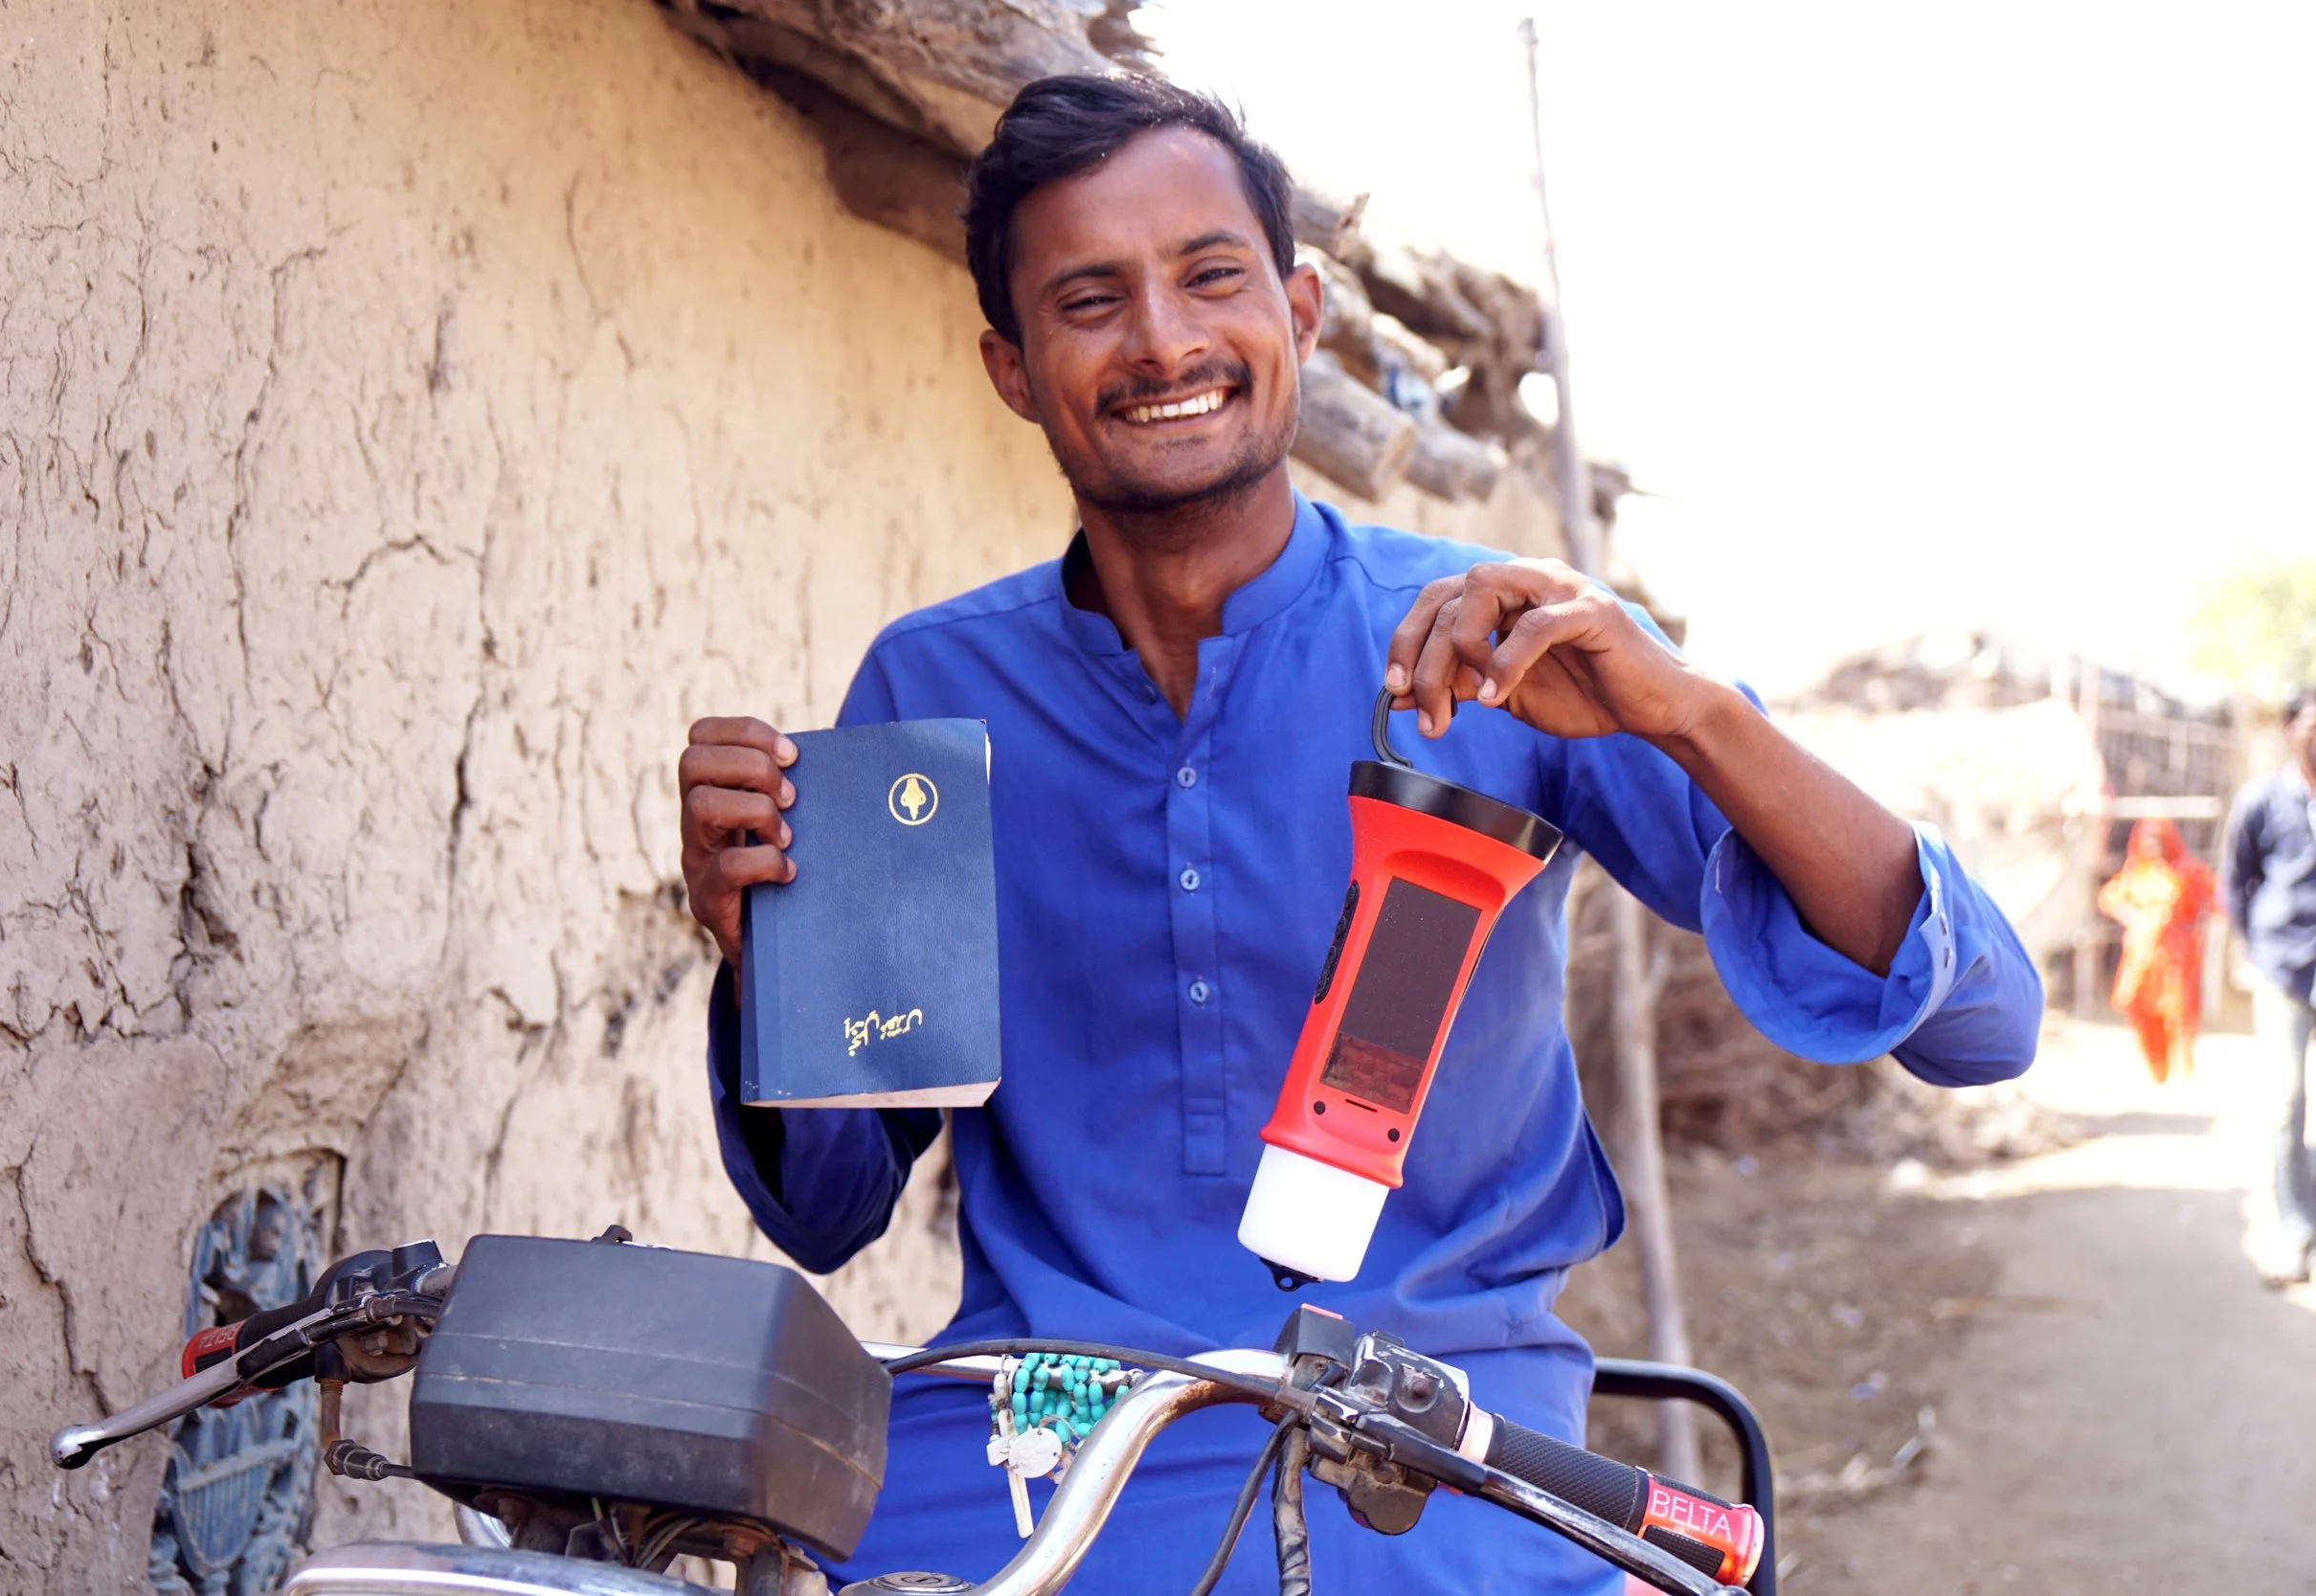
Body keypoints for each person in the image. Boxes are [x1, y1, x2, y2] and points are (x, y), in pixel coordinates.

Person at [676, 75, 2042, 1594]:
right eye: (1089, 299)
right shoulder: (931, 692)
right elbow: (828, 1207)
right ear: (1011, 367)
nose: (1165, 341)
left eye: (1210, 276)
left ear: (1303, 312)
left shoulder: (1520, 644)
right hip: (1040, 1480)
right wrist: (764, 961)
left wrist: (1692, 715)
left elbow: (1985, 1025)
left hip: (1450, 1468)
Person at [2221, 686, 2316, 1288]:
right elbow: (2236, 881)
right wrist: (2252, 950)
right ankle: (2294, 1233)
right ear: (2290, 730)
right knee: (2285, 1104)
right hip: (2285, 970)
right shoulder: (2263, 800)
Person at [2098, 817, 2216, 1082]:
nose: (2151, 847)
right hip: (2142, 958)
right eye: (2146, 841)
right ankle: (2156, 1069)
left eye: (2157, 841)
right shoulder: (2136, 874)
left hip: (2176, 958)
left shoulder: (2187, 871)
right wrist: (2133, 917)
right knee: (2142, 1011)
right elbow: (2109, 897)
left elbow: (2217, 897)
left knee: (2179, 1012)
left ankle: (2182, 1072)